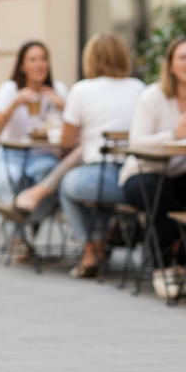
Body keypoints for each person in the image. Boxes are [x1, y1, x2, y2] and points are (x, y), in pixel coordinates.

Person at [16, 33, 145, 278]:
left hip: (98, 179)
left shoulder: (83, 89)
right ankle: (98, 246)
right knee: (92, 184)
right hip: (135, 176)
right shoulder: (139, 88)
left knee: (69, 186)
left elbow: (66, 142)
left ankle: (89, 248)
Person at [119, 37, 186, 297]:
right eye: (183, 57)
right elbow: (136, 143)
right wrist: (177, 132)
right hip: (142, 173)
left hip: (184, 175)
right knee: (161, 195)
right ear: (171, 65)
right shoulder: (153, 96)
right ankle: (161, 268)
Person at [0, 40, 68, 207]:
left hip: (43, 153)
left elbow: (73, 128)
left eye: (43, 59)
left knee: (48, 172)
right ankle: (18, 226)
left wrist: (61, 105)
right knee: (6, 178)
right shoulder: (10, 89)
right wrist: (14, 104)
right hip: (10, 153)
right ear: (22, 66)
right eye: (33, 60)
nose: (40, 64)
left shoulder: (58, 89)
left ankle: (32, 216)